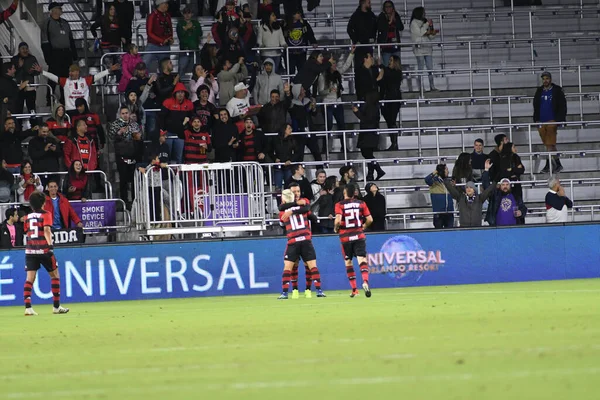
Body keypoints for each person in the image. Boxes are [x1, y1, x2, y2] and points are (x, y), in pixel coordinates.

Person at [23, 190, 70, 316]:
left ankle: (28, 308)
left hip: (30, 250)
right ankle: (56, 306)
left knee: (30, 279)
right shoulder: (46, 214)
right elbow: (47, 230)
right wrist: (50, 246)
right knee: (55, 275)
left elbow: (27, 232)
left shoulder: (27, 217)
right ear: (43, 202)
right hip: (44, 249)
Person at [277, 186, 325, 299]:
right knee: (306, 267)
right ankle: (315, 291)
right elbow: (309, 213)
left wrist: (290, 211)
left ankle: (287, 293)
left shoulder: (284, 212)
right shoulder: (301, 207)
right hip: (301, 240)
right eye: (294, 192)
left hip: (298, 241)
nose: (297, 194)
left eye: (298, 191)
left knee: (292, 267)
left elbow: (282, 222)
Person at [334, 182, 373, 298]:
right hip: (359, 235)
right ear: (354, 193)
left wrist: (336, 228)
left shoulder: (339, 204)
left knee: (348, 262)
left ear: (345, 192)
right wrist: (363, 227)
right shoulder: (361, 203)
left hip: (345, 237)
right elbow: (370, 219)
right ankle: (365, 281)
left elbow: (337, 220)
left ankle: (355, 289)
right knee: (362, 260)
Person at [33, 63, 118, 114]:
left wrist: (109, 70)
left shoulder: (85, 81)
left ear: (77, 72)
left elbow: (97, 76)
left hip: (84, 111)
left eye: (72, 71)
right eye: (69, 71)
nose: (70, 73)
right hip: (70, 111)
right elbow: (54, 77)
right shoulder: (65, 81)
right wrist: (42, 72)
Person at [41, 2, 78, 106]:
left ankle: (64, 98)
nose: (61, 9)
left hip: (66, 54)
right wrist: (48, 58)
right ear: (53, 10)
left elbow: (71, 39)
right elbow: (44, 41)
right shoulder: (47, 23)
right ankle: (49, 98)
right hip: (55, 54)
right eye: (58, 8)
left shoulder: (65, 23)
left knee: (66, 77)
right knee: (53, 77)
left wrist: (74, 55)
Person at [318, 47, 355, 151]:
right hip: (327, 104)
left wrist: (351, 53)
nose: (335, 65)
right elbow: (320, 92)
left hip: (338, 103)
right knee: (328, 126)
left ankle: (344, 147)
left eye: (335, 63)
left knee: (341, 125)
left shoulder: (337, 73)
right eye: (333, 63)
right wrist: (329, 90)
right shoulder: (323, 76)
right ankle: (325, 148)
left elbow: (346, 66)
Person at [444, 160, 495, 227]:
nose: (468, 189)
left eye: (470, 187)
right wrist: (444, 178)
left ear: (474, 190)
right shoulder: (460, 197)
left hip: (477, 228)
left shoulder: (479, 198)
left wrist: (487, 171)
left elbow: (488, 190)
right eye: (467, 187)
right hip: (463, 228)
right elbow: (451, 189)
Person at [533, 71, 567, 173]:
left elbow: (562, 105)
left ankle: (548, 165)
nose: (545, 81)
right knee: (549, 145)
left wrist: (560, 119)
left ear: (550, 79)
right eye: (543, 79)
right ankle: (558, 164)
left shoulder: (556, 90)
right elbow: (536, 105)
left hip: (552, 120)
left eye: (547, 78)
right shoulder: (539, 91)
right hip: (541, 121)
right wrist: (536, 119)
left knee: (549, 143)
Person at [108, 106, 142, 204]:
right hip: (121, 156)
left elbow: (140, 137)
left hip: (133, 154)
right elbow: (110, 138)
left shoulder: (134, 124)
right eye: (123, 113)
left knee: (134, 180)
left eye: (126, 113)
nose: (125, 115)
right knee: (123, 180)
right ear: (119, 114)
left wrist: (137, 136)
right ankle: (124, 202)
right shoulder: (115, 124)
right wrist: (119, 133)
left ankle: (135, 201)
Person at [352, 91, 385, 181]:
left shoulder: (372, 108)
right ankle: (373, 173)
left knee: (367, 154)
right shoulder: (373, 107)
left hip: (369, 134)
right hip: (368, 134)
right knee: (368, 154)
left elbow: (366, 120)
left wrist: (357, 112)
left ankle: (376, 172)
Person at [158, 82, 195, 164]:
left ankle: (178, 176)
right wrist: (162, 133)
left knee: (179, 157)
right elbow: (161, 118)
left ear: (185, 93)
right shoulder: (167, 102)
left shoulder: (189, 104)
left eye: (182, 92)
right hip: (169, 133)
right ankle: (169, 176)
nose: (180, 94)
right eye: (178, 92)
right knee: (168, 156)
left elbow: (192, 118)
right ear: (174, 93)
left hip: (181, 135)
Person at [90, 3, 124, 80]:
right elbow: (92, 27)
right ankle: (106, 83)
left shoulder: (118, 19)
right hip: (106, 46)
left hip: (117, 45)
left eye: (114, 9)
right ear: (107, 10)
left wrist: (122, 37)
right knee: (108, 66)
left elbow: (121, 30)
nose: (113, 11)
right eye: (111, 9)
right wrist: (96, 37)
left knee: (118, 65)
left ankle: (119, 84)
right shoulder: (102, 19)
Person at [410, 6, 437, 92]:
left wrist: (432, 29)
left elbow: (431, 37)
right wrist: (426, 25)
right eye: (423, 12)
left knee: (430, 68)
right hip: (419, 48)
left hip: (428, 47)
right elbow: (420, 33)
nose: (424, 14)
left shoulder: (425, 22)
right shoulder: (414, 23)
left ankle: (432, 86)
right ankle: (421, 88)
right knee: (420, 69)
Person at [379, 55, 403, 150]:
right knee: (389, 121)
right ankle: (394, 143)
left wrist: (382, 66)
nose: (389, 62)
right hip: (386, 99)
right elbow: (382, 83)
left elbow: (390, 78)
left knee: (392, 121)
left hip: (394, 100)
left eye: (391, 60)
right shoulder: (386, 71)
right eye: (389, 60)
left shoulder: (397, 72)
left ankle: (394, 143)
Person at [283, 10, 317, 75]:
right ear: (292, 15)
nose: (299, 14)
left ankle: (301, 85)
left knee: (302, 72)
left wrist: (313, 41)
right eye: (297, 13)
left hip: (301, 52)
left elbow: (310, 33)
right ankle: (291, 85)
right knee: (290, 73)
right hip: (289, 53)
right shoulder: (285, 24)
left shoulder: (304, 23)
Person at [144, 0, 174, 72]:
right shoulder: (152, 16)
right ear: (160, 4)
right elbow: (149, 32)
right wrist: (162, 40)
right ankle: (142, 81)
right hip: (153, 45)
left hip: (165, 46)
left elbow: (170, 28)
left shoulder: (167, 16)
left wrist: (171, 38)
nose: (167, 5)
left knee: (165, 68)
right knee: (144, 64)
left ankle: (164, 82)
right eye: (165, 3)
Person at [11, 42, 40, 114]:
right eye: (23, 48)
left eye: (26, 48)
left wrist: (38, 71)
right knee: (18, 109)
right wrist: (19, 66)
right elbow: (12, 73)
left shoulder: (32, 58)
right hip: (18, 87)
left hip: (30, 87)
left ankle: (34, 124)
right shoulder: (15, 59)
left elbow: (36, 72)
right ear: (19, 50)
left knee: (32, 108)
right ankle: (18, 125)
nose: (25, 50)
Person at [424, 164, 454, 229]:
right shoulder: (434, 181)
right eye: (446, 170)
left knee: (450, 234)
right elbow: (427, 180)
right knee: (438, 233)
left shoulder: (448, 181)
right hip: (438, 213)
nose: (448, 172)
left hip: (449, 212)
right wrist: (435, 172)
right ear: (442, 171)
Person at [177, 7, 204, 75]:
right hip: (184, 50)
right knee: (181, 68)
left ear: (192, 14)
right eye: (185, 13)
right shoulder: (180, 24)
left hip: (194, 50)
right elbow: (180, 35)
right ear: (183, 14)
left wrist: (193, 28)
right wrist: (186, 28)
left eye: (189, 13)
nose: (187, 15)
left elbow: (200, 33)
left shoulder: (196, 23)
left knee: (196, 69)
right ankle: (178, 84)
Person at [377, 1, 404, 66]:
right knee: (386, 66)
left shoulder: (396, 15)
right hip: (386, 46)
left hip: (395, 45)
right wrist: (389, 21)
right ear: (384, 8)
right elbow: (380, 28)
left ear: (393, 8)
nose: (388, 8)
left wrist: (395, 20)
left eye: (390, 6)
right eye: (386, 7)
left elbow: (401, 27)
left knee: (397, 66)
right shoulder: (381, 16)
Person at [269, 123, 295, 188]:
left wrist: (290, 160)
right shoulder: (275, 140)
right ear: (284, 130)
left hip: (288, 166)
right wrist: (275, 159)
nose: (291, 130)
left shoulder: (293, 140)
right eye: (289, 128)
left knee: (289, 187)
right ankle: (278, 198)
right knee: (278, 188)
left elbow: (297, 152)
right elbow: (270, 151)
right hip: (278, 166)